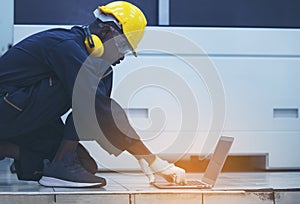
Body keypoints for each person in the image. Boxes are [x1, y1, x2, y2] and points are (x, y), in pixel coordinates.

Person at [0, 1, 186, 188]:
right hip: (6, 104)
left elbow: (95, 115)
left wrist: (141, 157)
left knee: (85, 165)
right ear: (106, 32)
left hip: (20, 114)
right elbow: (96, 104)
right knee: (86, 86)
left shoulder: (95, 65)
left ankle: (47, 160)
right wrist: (151, 159)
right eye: (122, 47)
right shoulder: (66, 46)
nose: (122, 57)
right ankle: (62, 162)